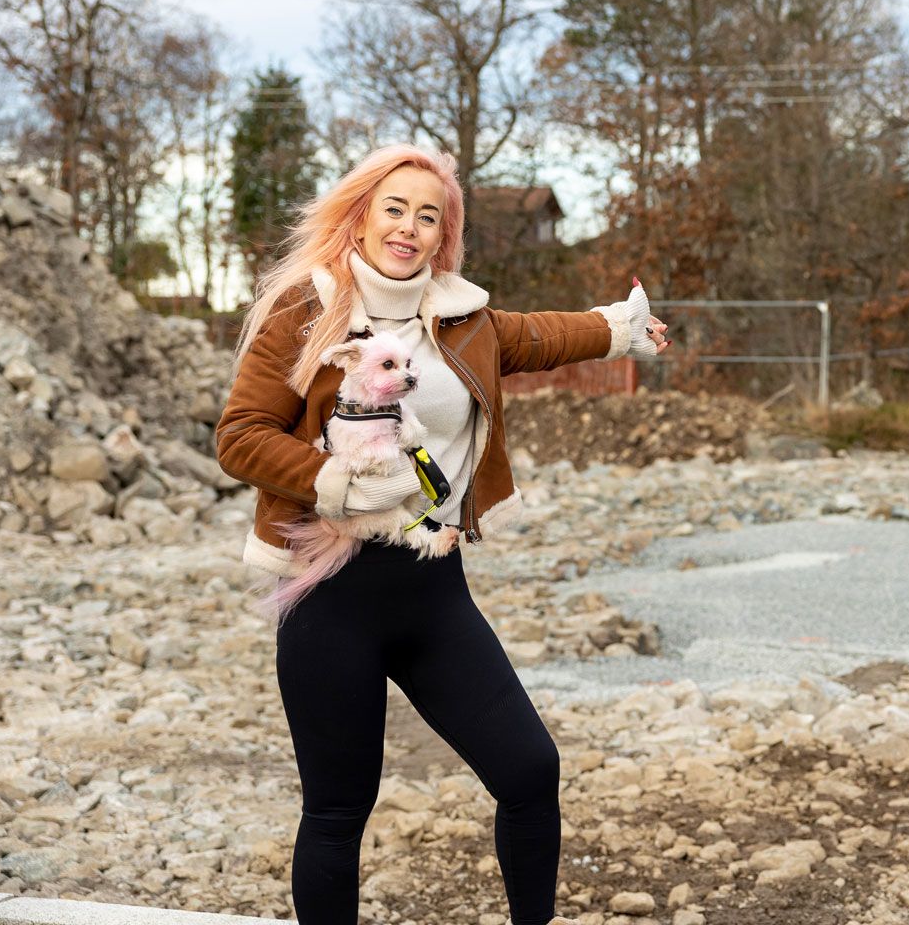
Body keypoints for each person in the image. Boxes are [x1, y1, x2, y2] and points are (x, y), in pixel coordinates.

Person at [213, 142, 670, 925]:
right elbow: (240, 435)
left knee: (530, 770)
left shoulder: (463, 319)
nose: (410, 227)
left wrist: (619, 329)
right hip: (331, 599)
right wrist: (339, 480)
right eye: (395, 208)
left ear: (444, 235)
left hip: (432, 595)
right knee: (337, 809)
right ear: (360, 218)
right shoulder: (307, 309)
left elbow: (540, 336)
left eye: (430, 216)